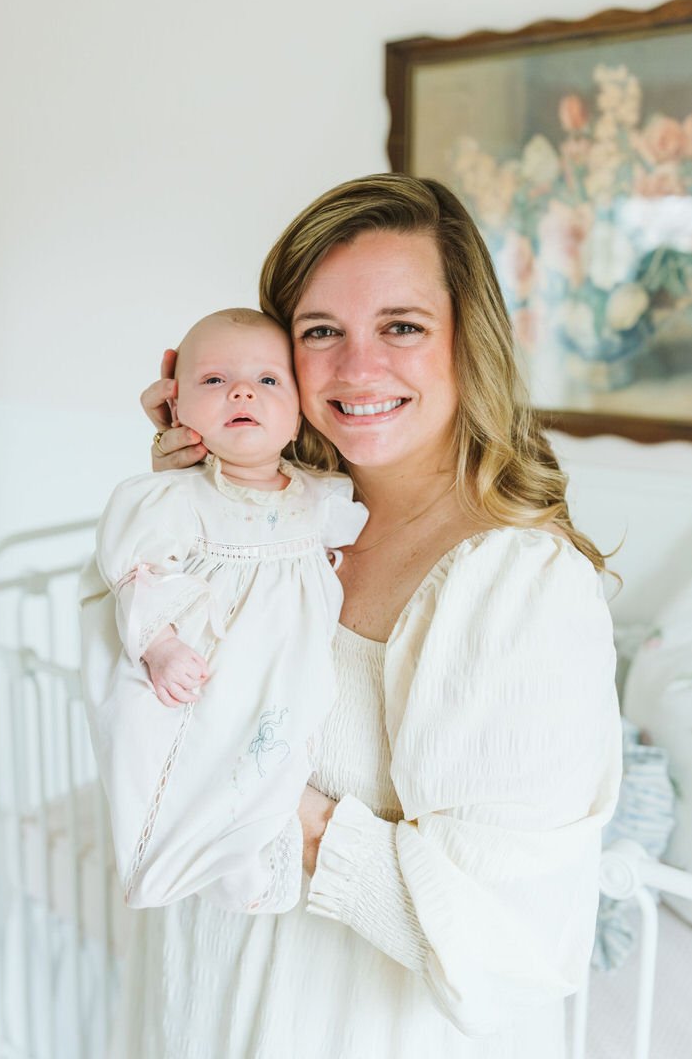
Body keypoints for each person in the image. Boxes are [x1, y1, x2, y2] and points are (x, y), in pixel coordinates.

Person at [81, 174, 621, 1058]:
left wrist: (257, 787)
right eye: (319, 331)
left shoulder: (516, 585)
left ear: (467, 341)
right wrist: (187, 498)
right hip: (199, 1006)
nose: (357, 367)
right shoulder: (282, 520)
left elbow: (506, 944)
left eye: (401, 327)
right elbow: (128, 678)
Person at [87, 308, 368, 913]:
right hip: (218, 662)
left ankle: (256, 854)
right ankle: (196, 851)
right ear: (174, 406)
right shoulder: (175, 496)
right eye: (214, 381)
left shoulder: (319, 492)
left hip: (287, 664)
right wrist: (159, 646)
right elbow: (141, 576)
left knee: (282, 748)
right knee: (208, 749)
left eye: (269, 381)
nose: (242, 391)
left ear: (298, 414)